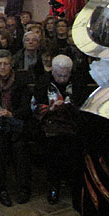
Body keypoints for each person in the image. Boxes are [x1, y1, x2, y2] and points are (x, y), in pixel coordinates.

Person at [32, 54, 87, 204]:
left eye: (65, 75)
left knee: (76, 144)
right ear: (53, 71)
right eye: (59, 75)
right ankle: (54, 184)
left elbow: (84, 105)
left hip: (73, 124)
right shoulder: (43, 82)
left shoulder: (78, 81)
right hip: (50, 124)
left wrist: (69, 106)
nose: (62, 79)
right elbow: (35, 106)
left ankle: (75, 184)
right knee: (52, 145)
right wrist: (50, 108)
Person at [0, 50, 32, 206]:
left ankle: (24, 188)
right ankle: (1, 188)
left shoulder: (20, 82)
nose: (3, 67)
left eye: (6, 64)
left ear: (11, 65)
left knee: (20, 147)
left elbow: (26, 108)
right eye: (0, 64)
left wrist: (11, 113)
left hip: (15, 123)